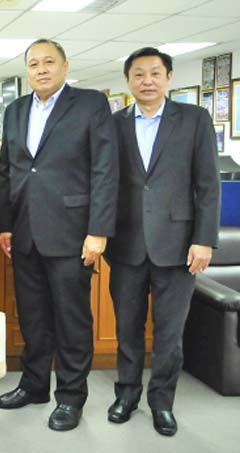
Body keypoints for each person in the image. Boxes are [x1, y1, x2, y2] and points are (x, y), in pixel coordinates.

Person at [0, 38, 119, 431]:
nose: (41, 69)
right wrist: (6, 225)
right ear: (26, 71)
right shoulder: (15, 110)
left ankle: (70, 397)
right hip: (26, 233)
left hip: (71, 233)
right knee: (32, 317)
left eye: (50, 62)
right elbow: (9, 170)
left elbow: (104, 170)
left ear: (65, 66)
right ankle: (34, 385)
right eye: (34, 64)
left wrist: (98, 231)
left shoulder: (90, 105)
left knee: (71, 319)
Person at [104, 47, 220, 436]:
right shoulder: (114, 123)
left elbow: (207, 185)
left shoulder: (194, 119)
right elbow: (104, 183)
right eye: (139, 74)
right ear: (128, 81)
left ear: (169, 78)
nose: (147, 81)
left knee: (169, 334)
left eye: (155, 73)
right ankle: (126, 394)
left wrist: (204, 240)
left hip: (179, 245)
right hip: (126, 244)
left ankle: (162, 402)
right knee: (127, 329)